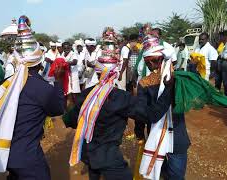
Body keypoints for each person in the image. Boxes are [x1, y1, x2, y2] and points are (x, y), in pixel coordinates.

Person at [63, 27, 173, 180]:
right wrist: (167, 90)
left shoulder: (86, 94)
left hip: (88, 152)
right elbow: (151, 115)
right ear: (116, 71)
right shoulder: (121, 98)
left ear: (97, 71)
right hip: (109, 157)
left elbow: (69, 120)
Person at [0, 15, 65, 180]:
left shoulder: (4, 84)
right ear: (39, 63)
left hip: (4, 151)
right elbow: (58, 109)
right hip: (26, 156)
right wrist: (58, 82)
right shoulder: (44, 89)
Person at [134, 33, 190, 180]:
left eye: (151, 61)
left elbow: (146, 115)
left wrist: (139, 133)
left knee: (164, 173)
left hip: (160, 136)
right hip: (177, 136)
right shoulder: (177, 78)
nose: (151, 65)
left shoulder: (146, 83)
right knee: (174, 175)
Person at [215, 30, 227, 97]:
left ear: (225, 37)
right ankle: (217, 96)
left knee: (225, 82)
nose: (220, 37)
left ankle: (226, 97)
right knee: (217, 81)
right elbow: (218, 54)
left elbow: (225, 56)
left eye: (221, 36)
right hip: (219, 63)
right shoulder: (222, 45)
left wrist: (220, 55)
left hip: (225, 64)